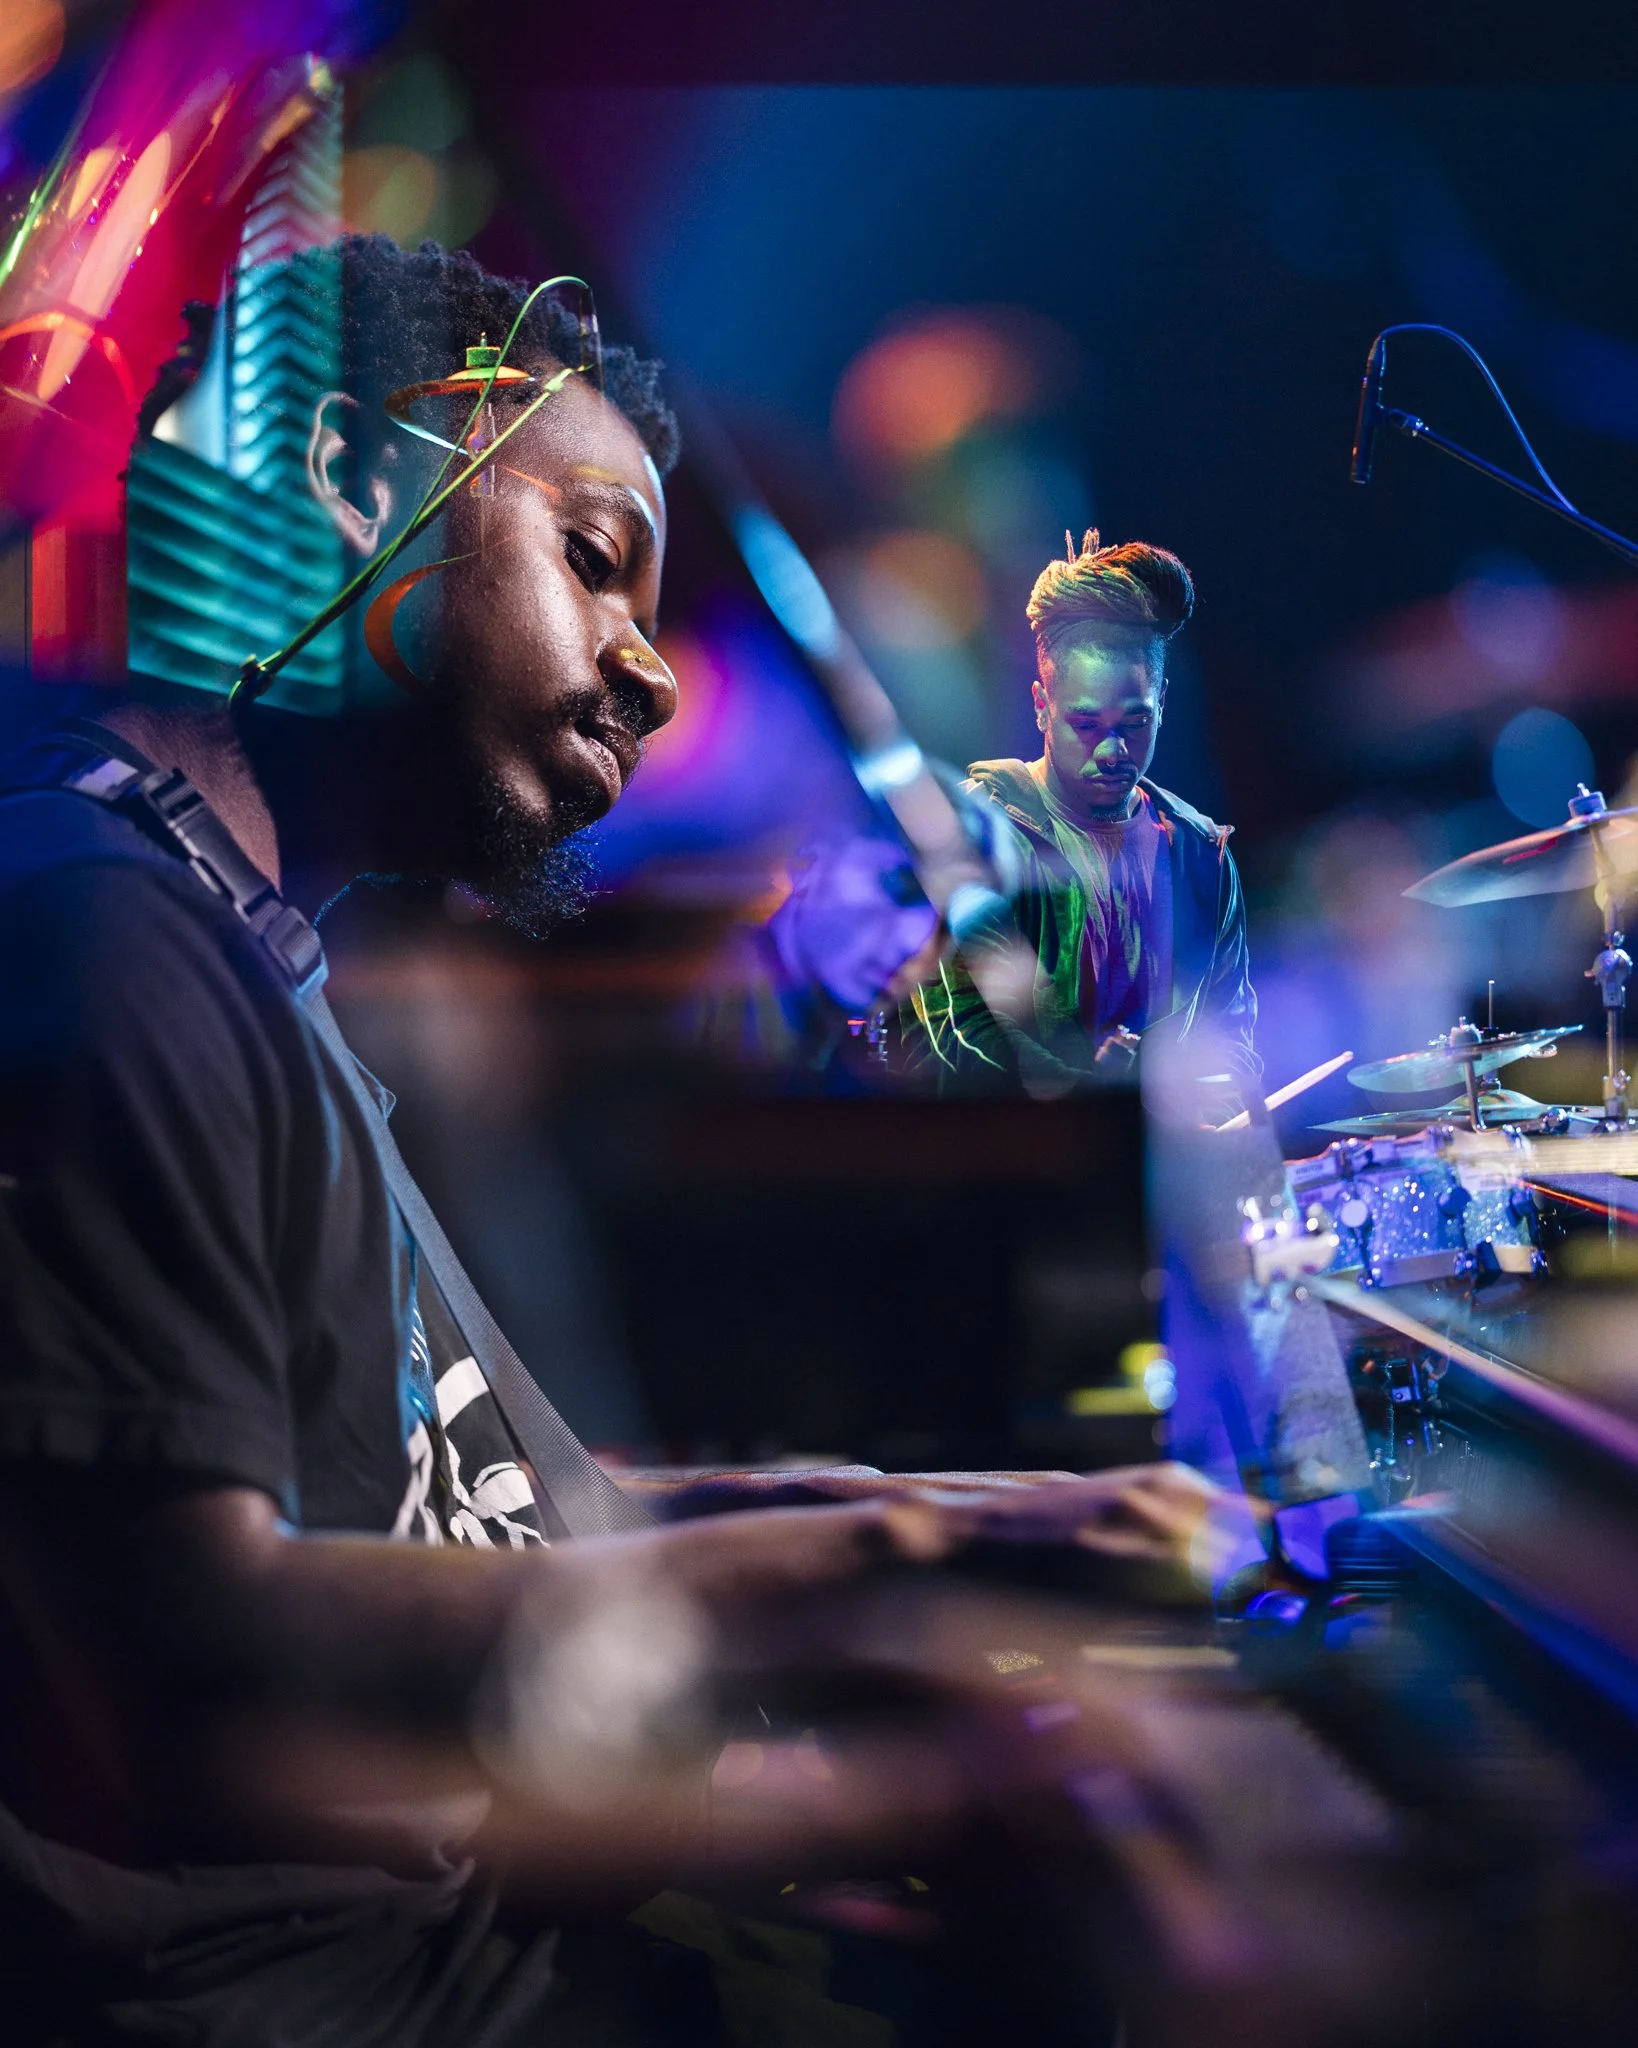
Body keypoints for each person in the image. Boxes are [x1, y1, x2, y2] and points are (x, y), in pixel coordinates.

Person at [0, 238, 1232, 2046]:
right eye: (591, 560)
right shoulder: (99, 939)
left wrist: (950, 1523)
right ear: (350, 490)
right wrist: (894, 1712)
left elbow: (529, 1525)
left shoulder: (234, 950)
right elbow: (202, 1666)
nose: (651, 674)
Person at [904, 531, 1257, 1098]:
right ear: (1043, 707)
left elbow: (1233, 1033)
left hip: (1159, 1165)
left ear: (1162, 701)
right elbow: (961, 1033)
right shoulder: (979, 832)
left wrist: (1210, 1094)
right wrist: (1109, 1101)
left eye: (1135, 724)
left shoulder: (1199, 850)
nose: (1114, 750)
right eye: (1087, 725)